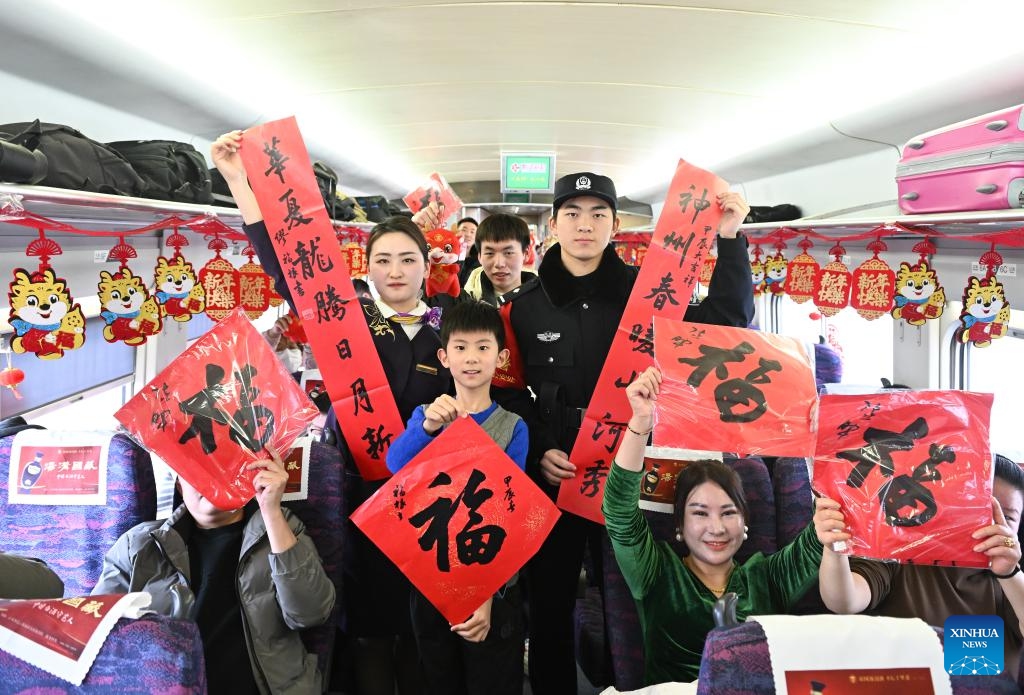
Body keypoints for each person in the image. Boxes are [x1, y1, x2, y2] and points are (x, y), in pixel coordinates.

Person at [211, 130, 452, 695]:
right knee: (367, 622)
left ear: (426, 265)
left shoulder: (452, 320)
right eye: (384, 260)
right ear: (366, 268)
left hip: (433, 488)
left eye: (408, 259)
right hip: (358, 483)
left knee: (424, 622)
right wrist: (238, 182)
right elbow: (285, 265)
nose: (396, 271)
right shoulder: (349, 317)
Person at [497, 171, 754, 694]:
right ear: (552, 225)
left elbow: (728, 323)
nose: (584, 225)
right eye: (572, 214)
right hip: (558, 473)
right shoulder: (522, 307)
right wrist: (540, 447)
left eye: (597, 214)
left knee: (636, 600)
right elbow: (506, 394)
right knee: (550, 603)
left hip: (634, 473)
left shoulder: (651, 296)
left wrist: (729, 238)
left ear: (615, 225)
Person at [603, 367, 849, 684]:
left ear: (746, 521)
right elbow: (619, 513)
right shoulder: (657, 572)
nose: (716, 527)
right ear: (679, 523)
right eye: (700, 513)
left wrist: (816, 437)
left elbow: (824, 524)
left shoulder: (768, 576)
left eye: (729, 512)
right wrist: (640, 423)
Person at [92, 453, 335, 695]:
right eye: (198, 469)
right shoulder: (139, 545)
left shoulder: (282, 529)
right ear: (179, 481)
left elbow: (310, 614)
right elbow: (94, 637)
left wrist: (271, 512)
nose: (211, 479)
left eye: (224, 467)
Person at [386, 300, 529, 695]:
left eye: (483, 348)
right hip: (431, 575)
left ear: (500, 357)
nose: (471, 358)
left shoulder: (513, 427)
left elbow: (508, 516)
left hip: (490, 581)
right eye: (461, 348)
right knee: (435, 678)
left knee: (492, 679)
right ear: (444, 357)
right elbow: (395, 465)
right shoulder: (425, 414)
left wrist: (484, 595)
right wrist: (430, 427)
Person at [820, 453, 1024, 677]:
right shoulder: (899, 551)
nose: (990, 524)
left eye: (1007, 517)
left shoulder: (1011, 576)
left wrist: (1009, 573)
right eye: (978, 508)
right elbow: (844, 601)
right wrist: (835, 548)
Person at [463, 213, 535, 305]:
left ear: (526, 253)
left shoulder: (543, 302)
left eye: (508, 253)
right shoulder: (466, 302)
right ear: (479, 256)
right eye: (489, 253)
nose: (499, 263)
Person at [457, 216, 481, 286]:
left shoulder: (479, 260)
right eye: (464, 230)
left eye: (472, 232)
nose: (468, 234)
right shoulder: (446, 257)